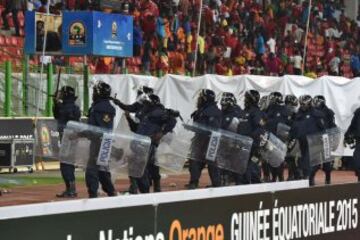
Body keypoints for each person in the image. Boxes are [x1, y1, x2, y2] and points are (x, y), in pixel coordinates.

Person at [84, 81, 117, 198]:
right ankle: (111, 191)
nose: (93, 94)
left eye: (94, 91)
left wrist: (80, 133)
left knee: (92, 170)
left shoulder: (101, 108)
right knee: (101, 170)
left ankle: (93, 195)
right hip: (104, 142)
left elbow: (99, 129)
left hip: (100, 143)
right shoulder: (103, 106)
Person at [186, 89, 222, 189]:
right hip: (199, 140)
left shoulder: (213, 111)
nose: (199, 99)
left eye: (200, 97)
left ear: (205, 98)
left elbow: (212, 128)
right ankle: (194, 182)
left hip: (210, 141)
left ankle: (216, 184)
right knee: (194, 162)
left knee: (212, 164)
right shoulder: (203, 109)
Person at [289, 95, 325, 183]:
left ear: (309, 104)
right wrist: (291, 137)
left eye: (304, 104)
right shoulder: (298, 114)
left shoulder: (316, 114)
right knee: (300, 161)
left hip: (314, 142)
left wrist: (322, 138)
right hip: (301, 142)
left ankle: (308, 177)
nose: (302, 106)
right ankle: (306, 177)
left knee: (308, 161)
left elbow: (323, 128)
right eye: (301, 104)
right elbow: (294, 127)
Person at [53, 86, 81, 198]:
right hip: (72, 138)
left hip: (67, 138)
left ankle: (71, 189)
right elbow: (58, 114)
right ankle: (71, 188)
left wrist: (57, 103)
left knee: (65, 164)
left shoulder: (66, 107)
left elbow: (61, 114)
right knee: (69, 163)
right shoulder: (74, 107)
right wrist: (56, 103)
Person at [237, 90, 266, 184]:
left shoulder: (256, 112)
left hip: (253, 146)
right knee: (242, 170)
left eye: (246, 98)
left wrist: (252, 141)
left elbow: (260, 129)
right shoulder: (243, 112)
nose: (245, 100)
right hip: (242, 145)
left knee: (254, 169)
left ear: (251, 99)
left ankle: (257, 190)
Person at [265, 92, 292, 182]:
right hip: (270, 139)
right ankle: (273, 177)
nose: (270, 101)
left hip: (280, 140)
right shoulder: (268, 109)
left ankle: (280, 177)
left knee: (279, 160)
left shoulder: (285, 110)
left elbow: (289, 126)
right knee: (270, 160)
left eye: (272, 99)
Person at [310, 95, 337, 185]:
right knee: (315, 161)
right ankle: (311, 178)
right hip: (316, 139)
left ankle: (328, 178)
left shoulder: (329, 112)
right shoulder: (313, 112)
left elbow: (332, 125)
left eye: (316, 102)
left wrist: (332, 137)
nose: (314, 103)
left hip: (326, 139)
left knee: (327, 162)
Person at [219, 92, 242, 185]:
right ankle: (224, 178)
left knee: (233, 162)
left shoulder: (237, 113)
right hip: (223, 141)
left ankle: (233, 179)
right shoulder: (221, 113)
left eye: (225, 105)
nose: (223, 106)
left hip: (233, 142)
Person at [284, 94, 299, 180]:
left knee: (290, 157)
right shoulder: (285, 112)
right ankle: (294, 174)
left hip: (293, 137)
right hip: (287, 136)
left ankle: (293, 175)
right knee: (289, 157)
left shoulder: (296, 113)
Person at [344, 106, 360, 182]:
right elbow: (353, 125)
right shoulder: (358, 111)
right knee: (357, 162)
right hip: (359, 141)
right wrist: (347, 135)